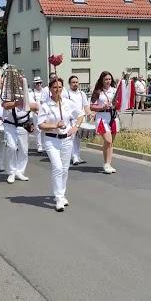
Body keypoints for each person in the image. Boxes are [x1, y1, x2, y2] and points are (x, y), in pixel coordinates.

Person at [38, 77, 84, 211]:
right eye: (54, 88)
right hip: (51, 139)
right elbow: (41, 125)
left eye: (59, 87)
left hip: (67, 139)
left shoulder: (68, 103)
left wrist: (75, 127)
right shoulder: (45, 105)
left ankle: (61, 194)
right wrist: (55, 125)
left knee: (64, 168)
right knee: (57, 167)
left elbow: (80, 115)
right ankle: (58, 198)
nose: (57, 90)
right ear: (50, 90)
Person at [2, 84, 39, 184]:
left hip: (23, 124)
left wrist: (24, 103)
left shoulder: (27, 93)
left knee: (23, 150)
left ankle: (19, 171)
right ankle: (11, 172)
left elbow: (35, 106)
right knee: (11, 147)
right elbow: (5, 105)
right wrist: (16, 103)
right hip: (10, 125)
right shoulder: (8, 93)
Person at [89, 71, 118, 174]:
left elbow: (119, 103)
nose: (108, 81)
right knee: (108, 140)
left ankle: (108, 164)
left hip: (113, 117)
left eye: (109, 79)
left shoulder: (115, 90)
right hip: (102, 117)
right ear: (102, 80)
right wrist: (102, 107)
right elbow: (92, 106)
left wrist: (116, 104)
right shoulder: (98, 91)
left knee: (110, 143)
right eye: (106, 79)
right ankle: (106, 164)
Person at [62, 74, 90, 165]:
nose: (75, 84)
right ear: (69, 84)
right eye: (73, 82)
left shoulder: (82, 94)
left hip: (80, 119)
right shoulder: (66, 93)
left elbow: (86, 106)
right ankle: (74, 157)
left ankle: (77, 156)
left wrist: (89, 114)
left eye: (76, 82)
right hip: (71, 119)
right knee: (72, 138)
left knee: (78, 139)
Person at [29, 76, 47, 152]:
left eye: (40, 83)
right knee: (38, 130)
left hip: (45, 113)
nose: (39, 84)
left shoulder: (45, 91)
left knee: (45, 129)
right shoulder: (32, 92)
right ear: (34, 84)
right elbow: (31, 103)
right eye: (37, 83)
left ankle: (44, 145)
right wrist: (36, 112)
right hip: (36, 113)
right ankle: (39, 145)